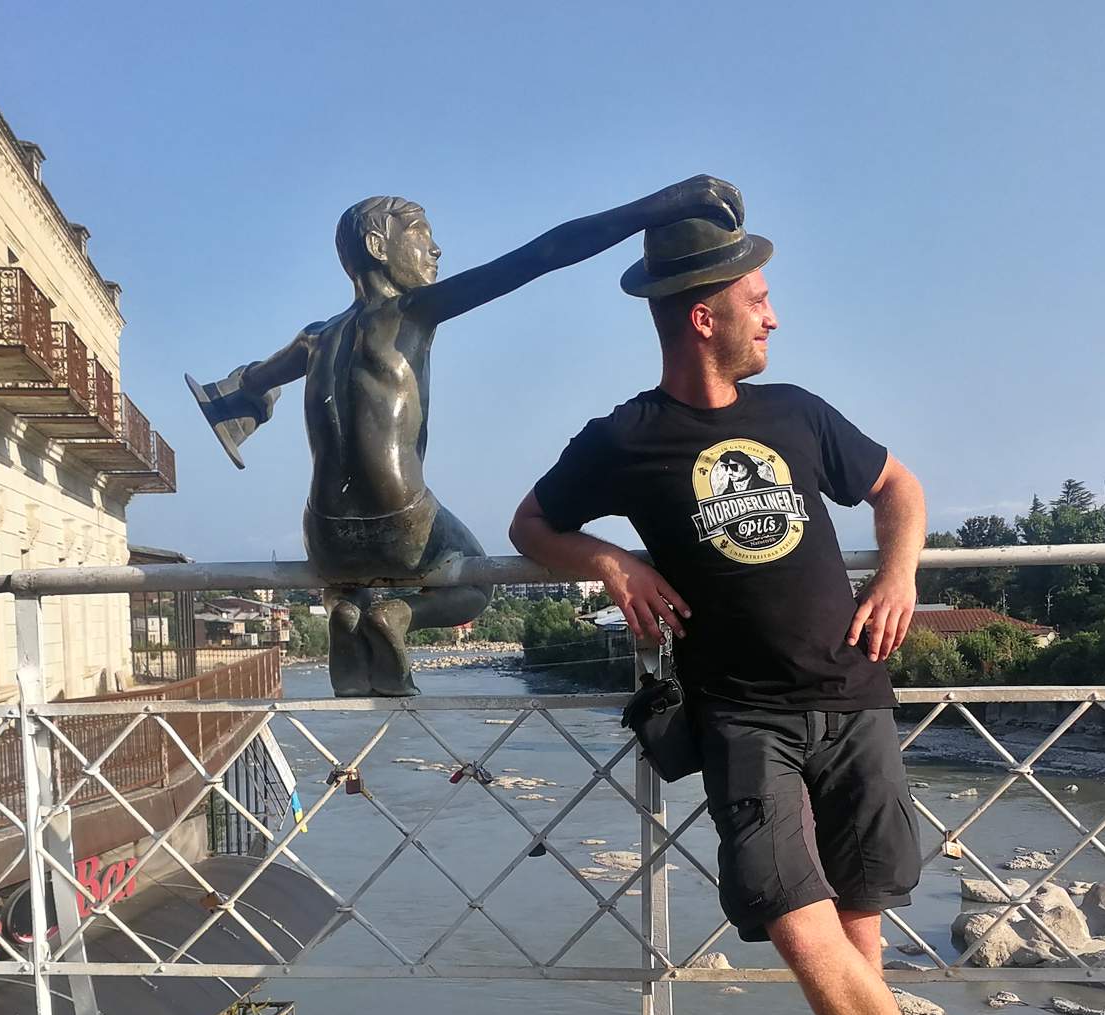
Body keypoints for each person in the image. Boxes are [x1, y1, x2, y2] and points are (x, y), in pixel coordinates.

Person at [509, 201, 1023, 1015]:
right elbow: (530, 525)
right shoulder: (624, 439)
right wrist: (609, 562)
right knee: (803, 940)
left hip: (855, 700)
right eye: (757, 301)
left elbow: (899, 487)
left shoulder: (798, 413)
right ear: (703, 317)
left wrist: (898, 573)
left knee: (856, 962)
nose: (774, 317)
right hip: (742, 722)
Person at [188, 177, 744, 696]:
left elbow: (250, 382)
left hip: (324, 533)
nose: (436, 250)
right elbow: (542, 255)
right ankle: (397, 614)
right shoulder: (410, 313)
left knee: (350, 575)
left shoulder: (314, 338)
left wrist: (247, 401)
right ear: (379, 246)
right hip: (398, 519)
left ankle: (346, 605)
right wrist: (661, 206)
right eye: (421, 235)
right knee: (478, 582)